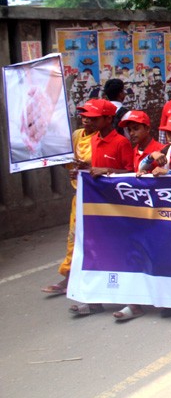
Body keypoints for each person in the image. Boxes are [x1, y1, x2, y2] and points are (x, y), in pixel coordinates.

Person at [66, 99, 135, 318]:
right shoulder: (93, 140)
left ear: (108, 119)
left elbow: (131, 173)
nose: (90, 121)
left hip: (119, 208)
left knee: (123, 253)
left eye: (96, 118)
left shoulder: (121, 142)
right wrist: (83, 171)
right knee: (99, 252)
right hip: (98, 208)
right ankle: (95, 300)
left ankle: (133, 301)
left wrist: (108, 170)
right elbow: (94, 168)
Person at [41, 101, 97, 296]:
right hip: (79, 194)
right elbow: (67, 161)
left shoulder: (101, 139)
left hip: (98, 197)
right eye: (83, 115)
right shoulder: (76, 136)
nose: (85, 119)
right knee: (74, 236)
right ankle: (69, 275)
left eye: (90, 117)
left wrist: (88, 169)